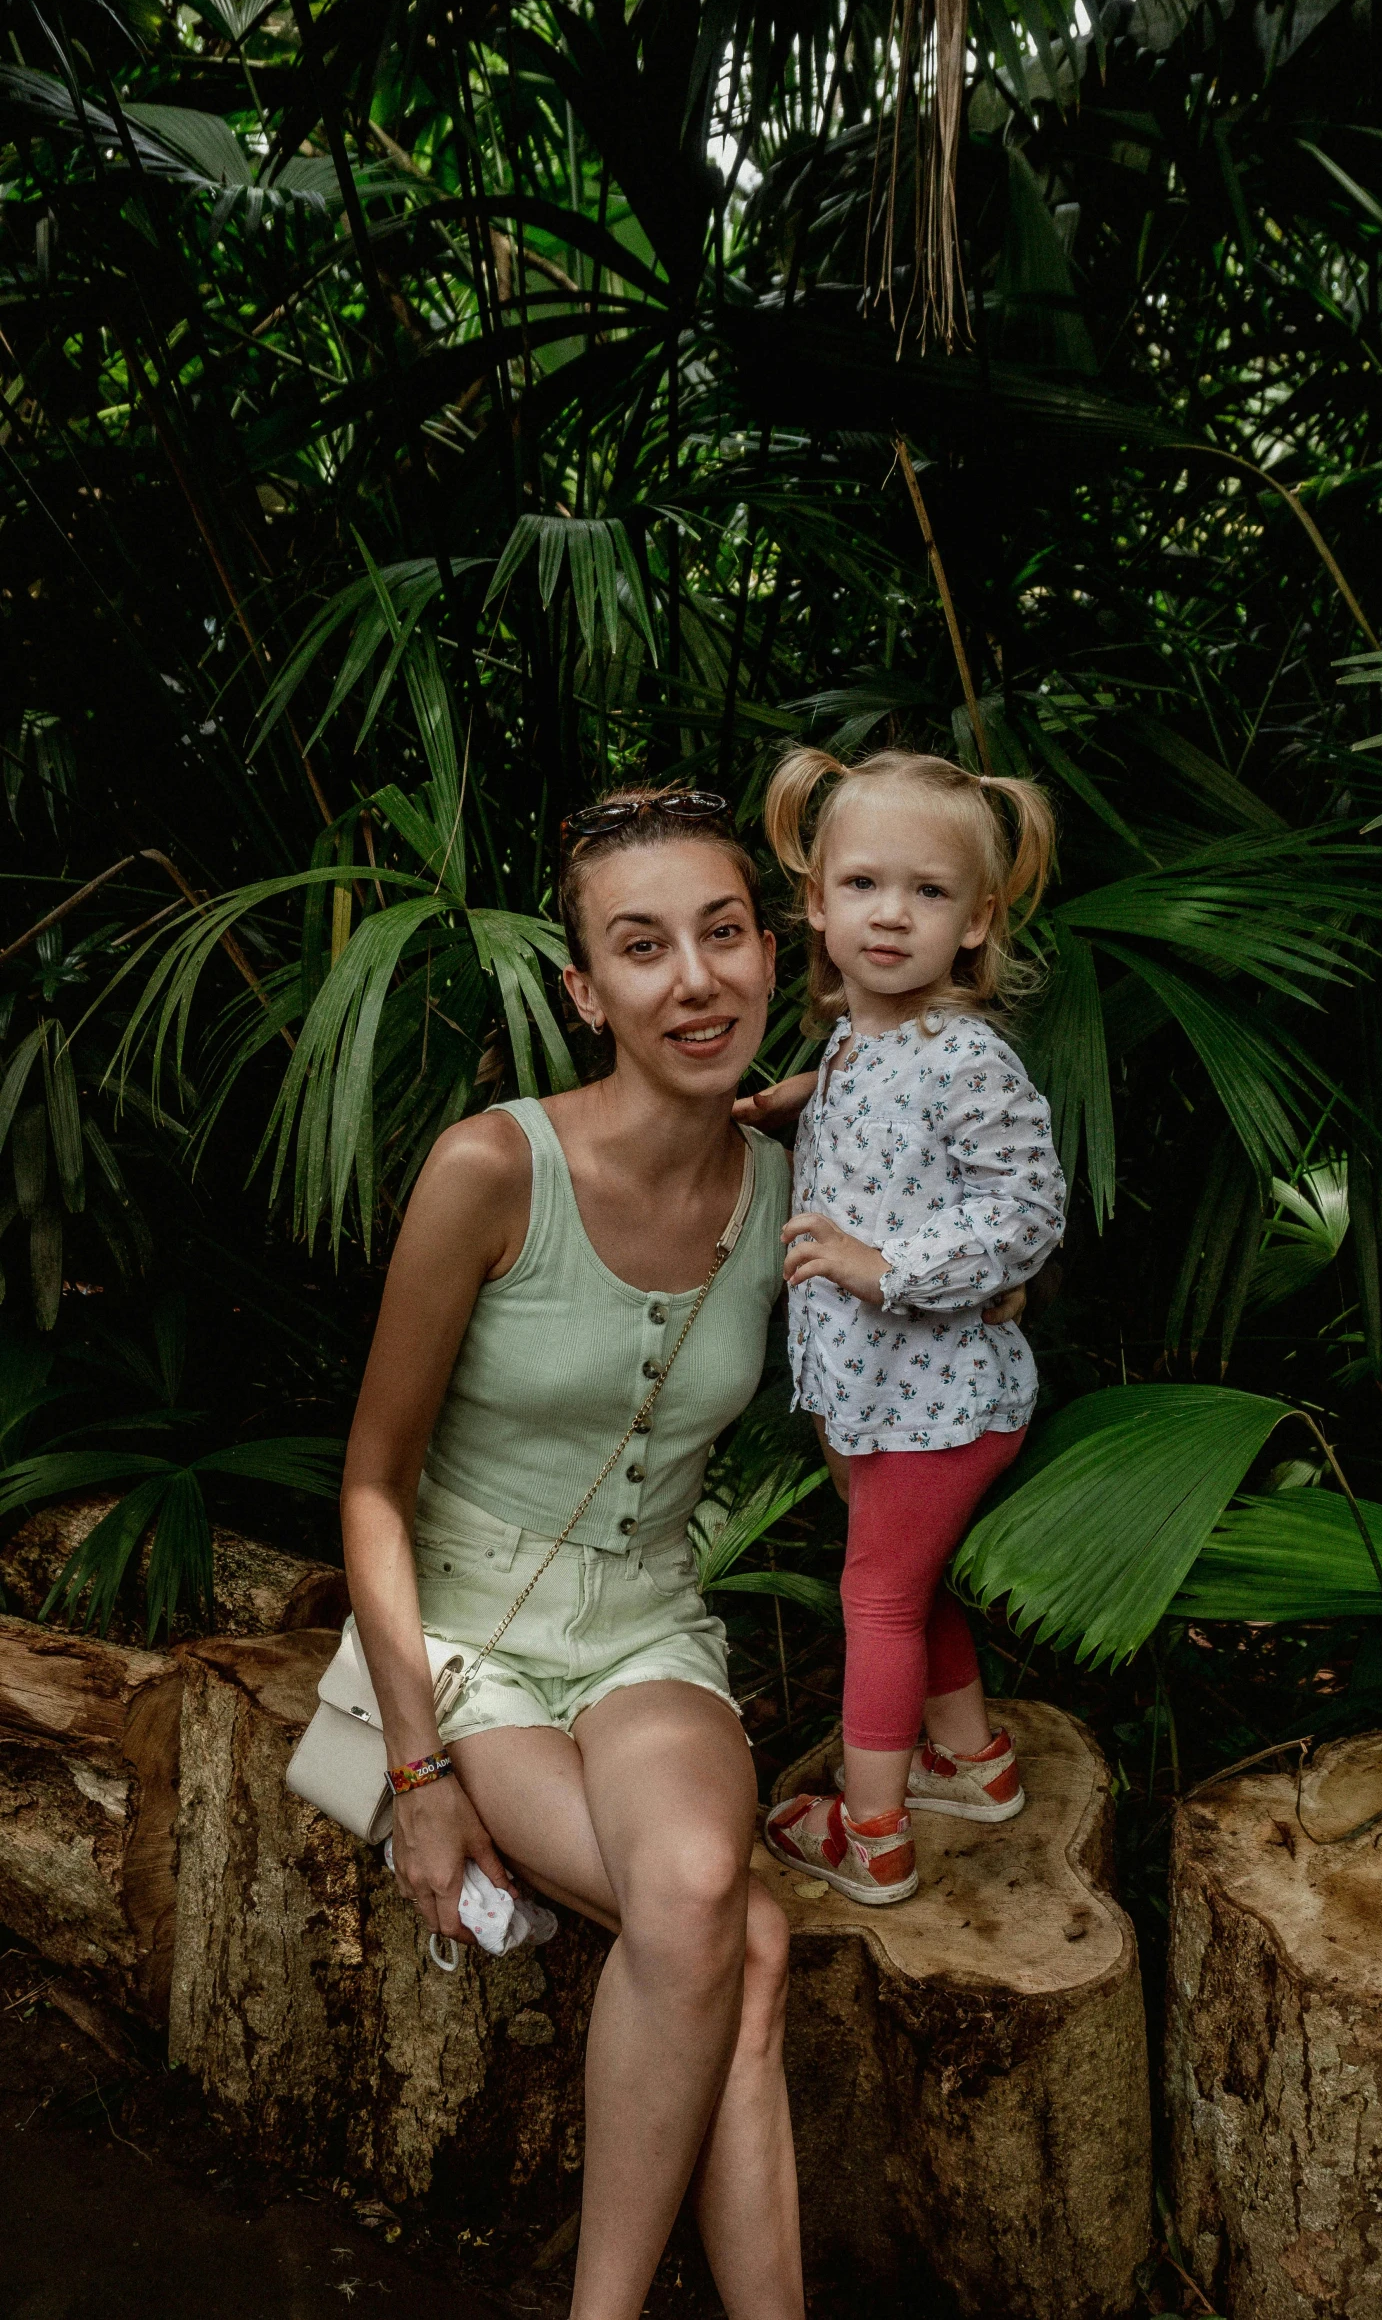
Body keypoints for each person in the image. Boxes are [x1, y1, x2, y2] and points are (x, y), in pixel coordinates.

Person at [339, 788, 804, 2320]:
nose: (694, 979)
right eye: (642, 946)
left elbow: (979, 1225)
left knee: (695, 1896)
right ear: (582, 991)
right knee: (730, 1933)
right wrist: (416, 1775)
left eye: (721, 933)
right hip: (471, 1637)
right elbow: (371, 1481)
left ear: (766, 947)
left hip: (650, 1630)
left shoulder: (795, 1181)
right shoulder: (493, 1168)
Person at [759, 748, 1066, 1907]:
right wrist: (802, 1095)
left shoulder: (966, 1056)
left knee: (878, 1601)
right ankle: (972, 1761)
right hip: (874, 1397)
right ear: (818, 902)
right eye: (863, 886)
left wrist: (882, 1266)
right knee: (911, 1584)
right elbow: (867, 1096)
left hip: (937, 1404)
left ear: (978, 921)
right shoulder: (860, 1036)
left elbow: (1026, 1209)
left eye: (928, 893)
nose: (891, 915)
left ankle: (872, 1831)